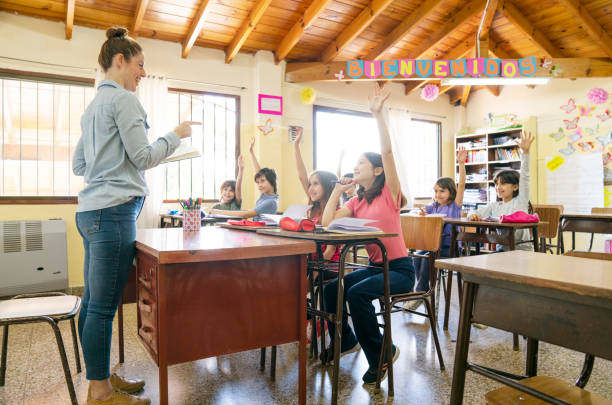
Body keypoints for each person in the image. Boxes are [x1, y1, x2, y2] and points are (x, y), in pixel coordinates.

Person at [72, 27, 199, 405]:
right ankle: (99, 392)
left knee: (93, 302)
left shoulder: (93, 107)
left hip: (91, 212)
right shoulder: (125, 101)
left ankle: (101, 377)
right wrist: (175, 135)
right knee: (102, 307)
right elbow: (143, 157)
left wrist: (108, 164)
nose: (143, 73)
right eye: (141, 65)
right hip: (114, 213)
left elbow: (80, 164)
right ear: (120, 61)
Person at [321, 83, 414, 385]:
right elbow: (327, 223)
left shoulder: (390, 193)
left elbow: (387, 152)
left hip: (399, 269)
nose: (356, 166)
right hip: (376, 267)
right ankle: (347, 339)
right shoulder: (357, 200)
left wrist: (379, 115)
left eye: (361, 162)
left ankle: (381, 355)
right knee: (331, 289)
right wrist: (336, 190)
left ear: (376, 170)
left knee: (357, 293)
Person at [406, 148, 467, 309]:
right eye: (435, 191)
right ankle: (421, 292)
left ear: (451, 192)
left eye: (442, 191)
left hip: (450, 249)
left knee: (428, 259)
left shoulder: (455, 206)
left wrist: (461, 164)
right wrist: (421, 212)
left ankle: (420, 293)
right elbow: (420, 213)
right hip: (432, 247)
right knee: (418, 256)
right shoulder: (433, 206)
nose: (438, 194)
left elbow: (462, 185)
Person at [468, 130, 535, 250]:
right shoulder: (495, 206)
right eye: (497, 184)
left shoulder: (520, 202)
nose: (498, 187)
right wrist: (472, 215)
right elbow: (476, 212)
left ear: (515, 186)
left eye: (503, 184)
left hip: (521, 250)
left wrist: (525, 152)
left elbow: (525, 176)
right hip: (502, 250)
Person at [293, 127, 339, 260]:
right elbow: (301, 175)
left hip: (327, 267)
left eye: (316, 184)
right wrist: (296, 145)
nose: (310, 188)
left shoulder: (337, 212)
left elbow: (329, 252)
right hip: (312, 263)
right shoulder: (314, 207)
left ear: (328, 186)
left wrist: (311, 275)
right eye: (310, 184)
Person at [210, 137, 278, 220]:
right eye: (258, 182)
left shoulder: (271, 202)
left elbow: (246, 214)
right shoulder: (266, 195)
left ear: (272, 181)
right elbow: (258, 173)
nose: (259, 185)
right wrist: (251, 152)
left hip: (262, 231)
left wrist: (219, 212)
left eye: (262, 181)